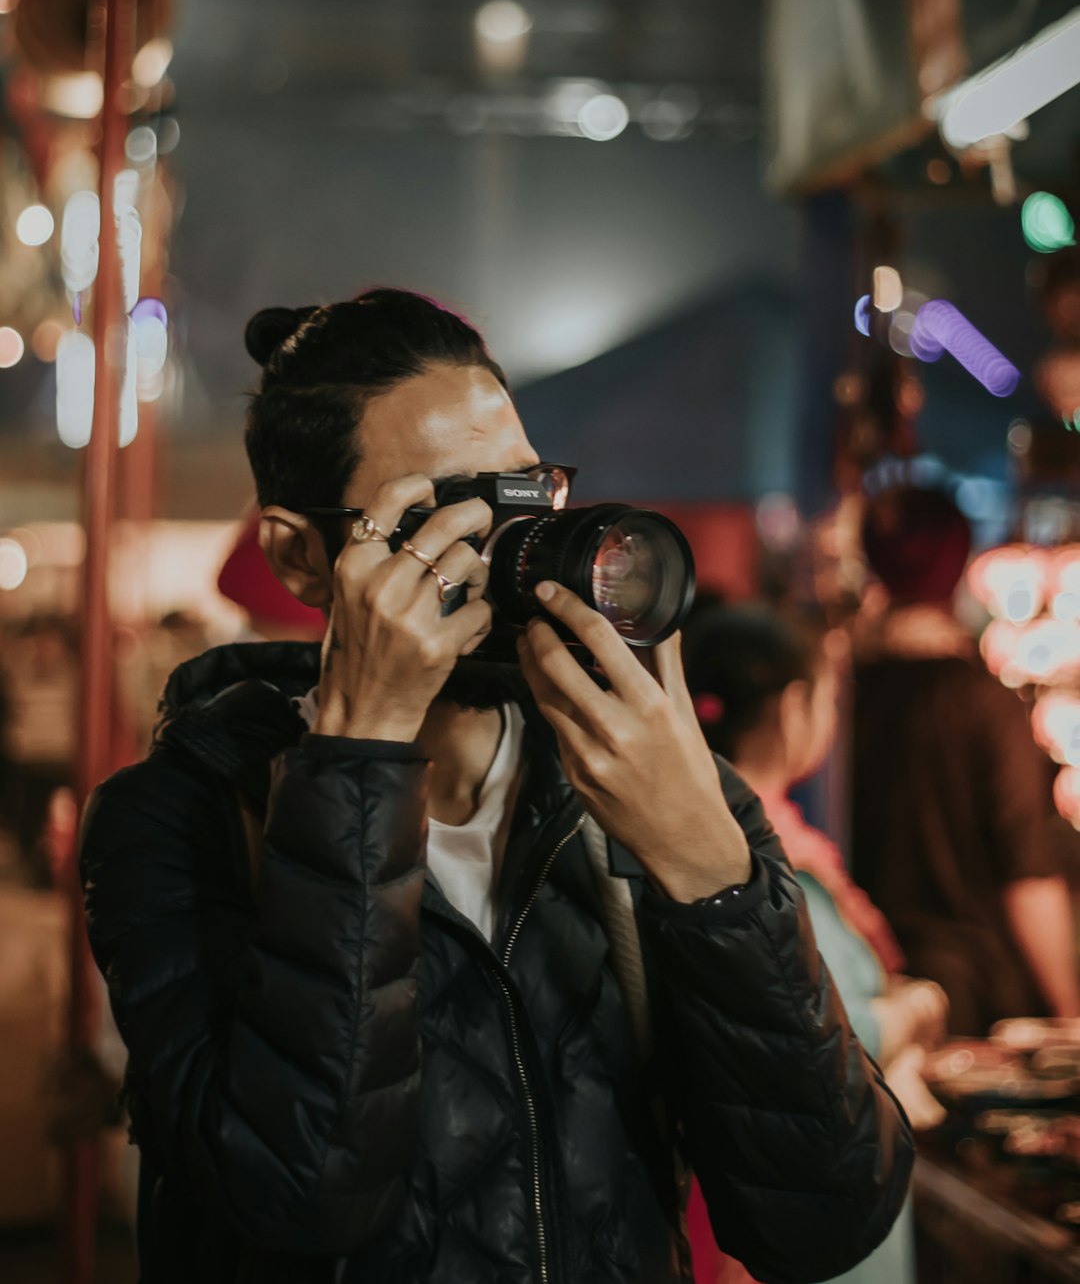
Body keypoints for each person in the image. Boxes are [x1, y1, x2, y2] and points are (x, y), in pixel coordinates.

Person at [81, 288, 912, 1284]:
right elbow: (300, 1196)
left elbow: (827, 1214)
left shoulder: (639, 799)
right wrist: (358, 762)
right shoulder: (178, 818)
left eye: (524, 495)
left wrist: (710, 865)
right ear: (302, 557)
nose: (505, 552)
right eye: (445, 517)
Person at [683, 603, 945, 1284]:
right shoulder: (765, 862)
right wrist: (915, 1011)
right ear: (794, 707)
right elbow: (816, 1025)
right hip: (809, 1211)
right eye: (828, 696)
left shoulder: (688, 836)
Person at [852, 485, 1080, 1035]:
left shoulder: (845, 690)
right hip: (978, 999)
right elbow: (1025, 868)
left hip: (868, 985)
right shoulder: (982, 700)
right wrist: (1070, 1014)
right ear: (958, 564)